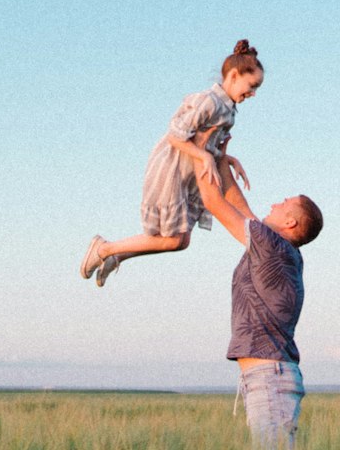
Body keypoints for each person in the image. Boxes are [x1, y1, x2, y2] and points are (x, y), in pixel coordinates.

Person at [80, 40, 263, 287]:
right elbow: (175, 136)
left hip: (190, 172)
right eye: (252, 86)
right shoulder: (209, 101)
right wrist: (205, 156)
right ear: (233, 75)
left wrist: (227, 158)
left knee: (179, 241)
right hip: (173, 169)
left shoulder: (228, 110)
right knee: (174, 240)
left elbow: (205, 144)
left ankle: (115, 254)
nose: (253, 93)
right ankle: (104, 249)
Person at [195, 167, 323, 450]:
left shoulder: (272, 247)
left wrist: (198, 151)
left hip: (269, 378)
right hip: (268, 377)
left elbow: (214, 202)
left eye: (284, 203)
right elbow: (239, 207)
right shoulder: (280, 249)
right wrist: (222, 159)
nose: (275, 204)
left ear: (290, 221)